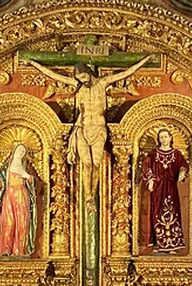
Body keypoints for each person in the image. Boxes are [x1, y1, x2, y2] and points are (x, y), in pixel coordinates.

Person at [21, 55, 151, 205]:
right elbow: (53, 75)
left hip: (99, 129)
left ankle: (92, 194)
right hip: (82, 128)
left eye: (84, 77)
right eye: (80, 79)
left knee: (96, 163)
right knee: (86, 163)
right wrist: (32, 62)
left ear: (88, 72)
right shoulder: (79, 85)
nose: (83, 81)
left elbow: (127, 72)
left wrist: (145, 60)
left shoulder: (102, 83)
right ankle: (88, 197)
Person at [142, 128, 189, 252]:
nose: (163, 139)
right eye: (161, 137)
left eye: (165, 137)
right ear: (159, 139)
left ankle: (172, 244)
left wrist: (182, 172)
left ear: (170, 138)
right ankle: (159, 243)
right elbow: (147, 167)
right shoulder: (153, 154)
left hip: (171, 187)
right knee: (157, 212)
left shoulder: (176, 154)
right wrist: (151, 179)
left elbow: (183, 165)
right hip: (158, 188)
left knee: (173, 211)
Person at [0, 144, 38, 257]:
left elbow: (34, 183)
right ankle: (6, 249)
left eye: (23, 151)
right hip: (10, 195)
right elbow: (0, 179)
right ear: (14, 151)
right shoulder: (6, 167)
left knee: (22, 222)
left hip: (22, 195)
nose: (21, 152)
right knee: (8, 222)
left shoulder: (25, 167)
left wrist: (27, 177)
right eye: (19, 150)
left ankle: (19, 250)